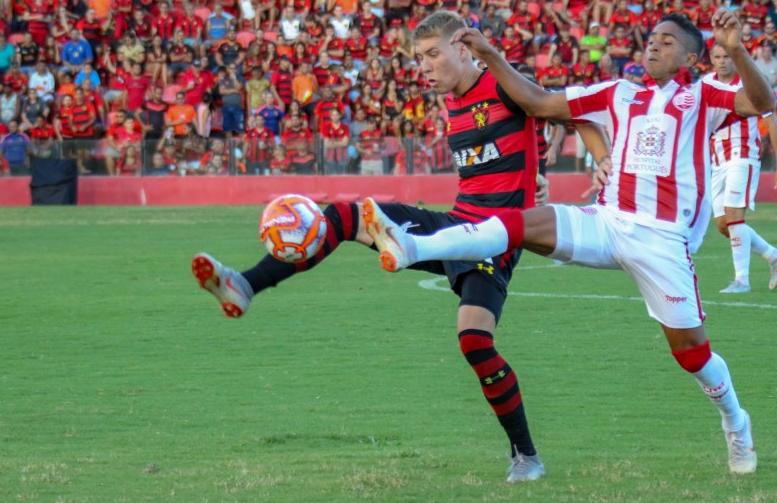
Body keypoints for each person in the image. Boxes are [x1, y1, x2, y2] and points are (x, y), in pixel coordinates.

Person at [190, 10, 608, 483]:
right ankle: (244, 284)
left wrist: (601, 159)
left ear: (464, 50)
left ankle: (526, 456)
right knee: (346, 215)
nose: (424, 67)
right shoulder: (451, 102)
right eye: (419, 58)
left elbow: (571, 111)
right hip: (457, 223)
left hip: (498, 237)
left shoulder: (505, 83)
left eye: (433, 55)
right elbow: (534, 136)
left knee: (475, 341)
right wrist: (542, 159)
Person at [363, 11, 776, 476]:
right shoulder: (619, 93)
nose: (654, 46)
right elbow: (539, 102)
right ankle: (413, 247)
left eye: (667, 41)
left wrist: (737, 50)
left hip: (662, 242)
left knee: (692, 355)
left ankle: (736, 420)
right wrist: (490, 55)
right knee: (516, 223)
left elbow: (760, 102)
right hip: (607, 221)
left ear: (692, 57)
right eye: (652, 39)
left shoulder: (703, 96)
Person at [705, 44, 777, 293]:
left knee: (734, 216)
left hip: (742, 156)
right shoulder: (707, 84)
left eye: (726, 57)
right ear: (711, 59)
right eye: (717, 57)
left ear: (734, 59)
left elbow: (772, 123)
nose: (722, 62)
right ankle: (773, 255)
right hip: (717, 160)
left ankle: (741, 280)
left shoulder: (748, 85)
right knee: (723, 224)